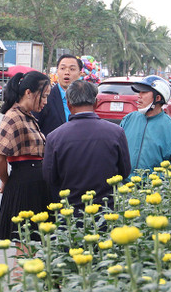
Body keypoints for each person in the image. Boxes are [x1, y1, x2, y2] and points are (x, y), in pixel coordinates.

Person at [43, 80, 131, 208]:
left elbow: (50, 177)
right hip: (107, 210)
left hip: (70, 211)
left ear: (69, 104)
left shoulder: (54, 137)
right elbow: (125, 171)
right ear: (96, 103)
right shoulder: (116, 133)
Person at [0, 71, 52, 242]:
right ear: (28, 93)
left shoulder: (26, 116)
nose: (45, 101)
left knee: (31, 245)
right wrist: (5, 180)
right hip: (24, 186)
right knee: (25, 245)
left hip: (33, 185)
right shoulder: (13, 116)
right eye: (43, 96)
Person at [121, 75, 171, 173]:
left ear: (158, 98)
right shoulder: (128, 119)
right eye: (139, 92)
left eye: (144, 92)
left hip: (155, 182)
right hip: (126, 182)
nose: (139, 96)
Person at [33, 54, 83, 137]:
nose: (67, 73)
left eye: (72, 69)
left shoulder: (85, 99)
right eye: (62, 68)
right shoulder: (45, 99)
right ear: (57, 72)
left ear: (80, 74)